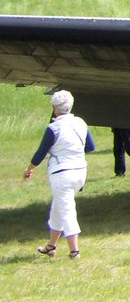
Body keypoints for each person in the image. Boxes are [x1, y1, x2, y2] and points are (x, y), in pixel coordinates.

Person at [22, 90, 95, 259]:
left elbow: (40, 153)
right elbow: (89, 146)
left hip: (62, 174)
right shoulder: (80, 123)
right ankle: (51, 245)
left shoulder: (53, 128)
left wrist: (29, 169)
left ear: (54, 108)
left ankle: (74, 250)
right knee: (58, 207)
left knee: (67, 209)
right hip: (80, 171)